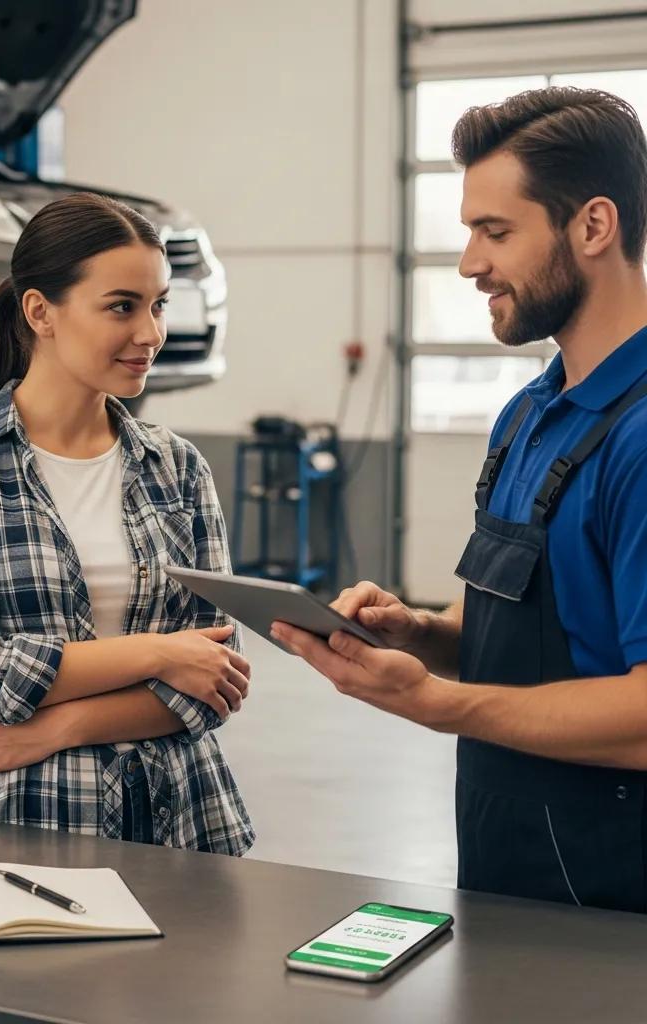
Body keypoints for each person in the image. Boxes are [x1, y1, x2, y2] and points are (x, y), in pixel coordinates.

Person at [273, 87, 647, 913]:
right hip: (506, 865)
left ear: (593, 226)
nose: (470, 264)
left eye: (496, 232)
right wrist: (424, 636)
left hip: (619, 897)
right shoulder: (527, 417)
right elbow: (529, 636)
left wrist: (438, 704)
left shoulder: (642, 436)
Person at [0, 192, 254, 855]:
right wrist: (159, 654)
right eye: (122, 306)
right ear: (41, 312)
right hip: (28, 831)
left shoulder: (177, 468)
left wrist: (60, 726)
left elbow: (218, 677)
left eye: (158, 306)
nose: (149, 333)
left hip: (184, 827)